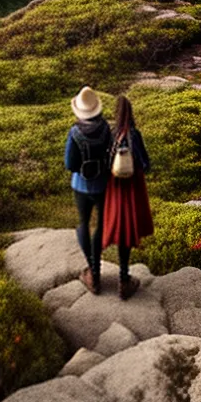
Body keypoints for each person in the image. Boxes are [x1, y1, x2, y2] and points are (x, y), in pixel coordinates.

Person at [102, 94, 153, 300]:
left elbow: (106, 162)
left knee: (116, 225)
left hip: (114, 188)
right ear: (131, 113)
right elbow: (145, 164)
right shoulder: (135, 135)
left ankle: (102, 274)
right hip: (132, 189)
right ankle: (124, 278)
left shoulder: (112, 134)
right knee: (129, 228)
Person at [64, 86, 112, 294]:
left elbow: (69, 163)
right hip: (103, 184)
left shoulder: (74, 133)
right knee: (100, 225)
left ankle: (92, 272)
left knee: (83, 223)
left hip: (81, 186)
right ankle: (97, 269)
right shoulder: (105, 128)